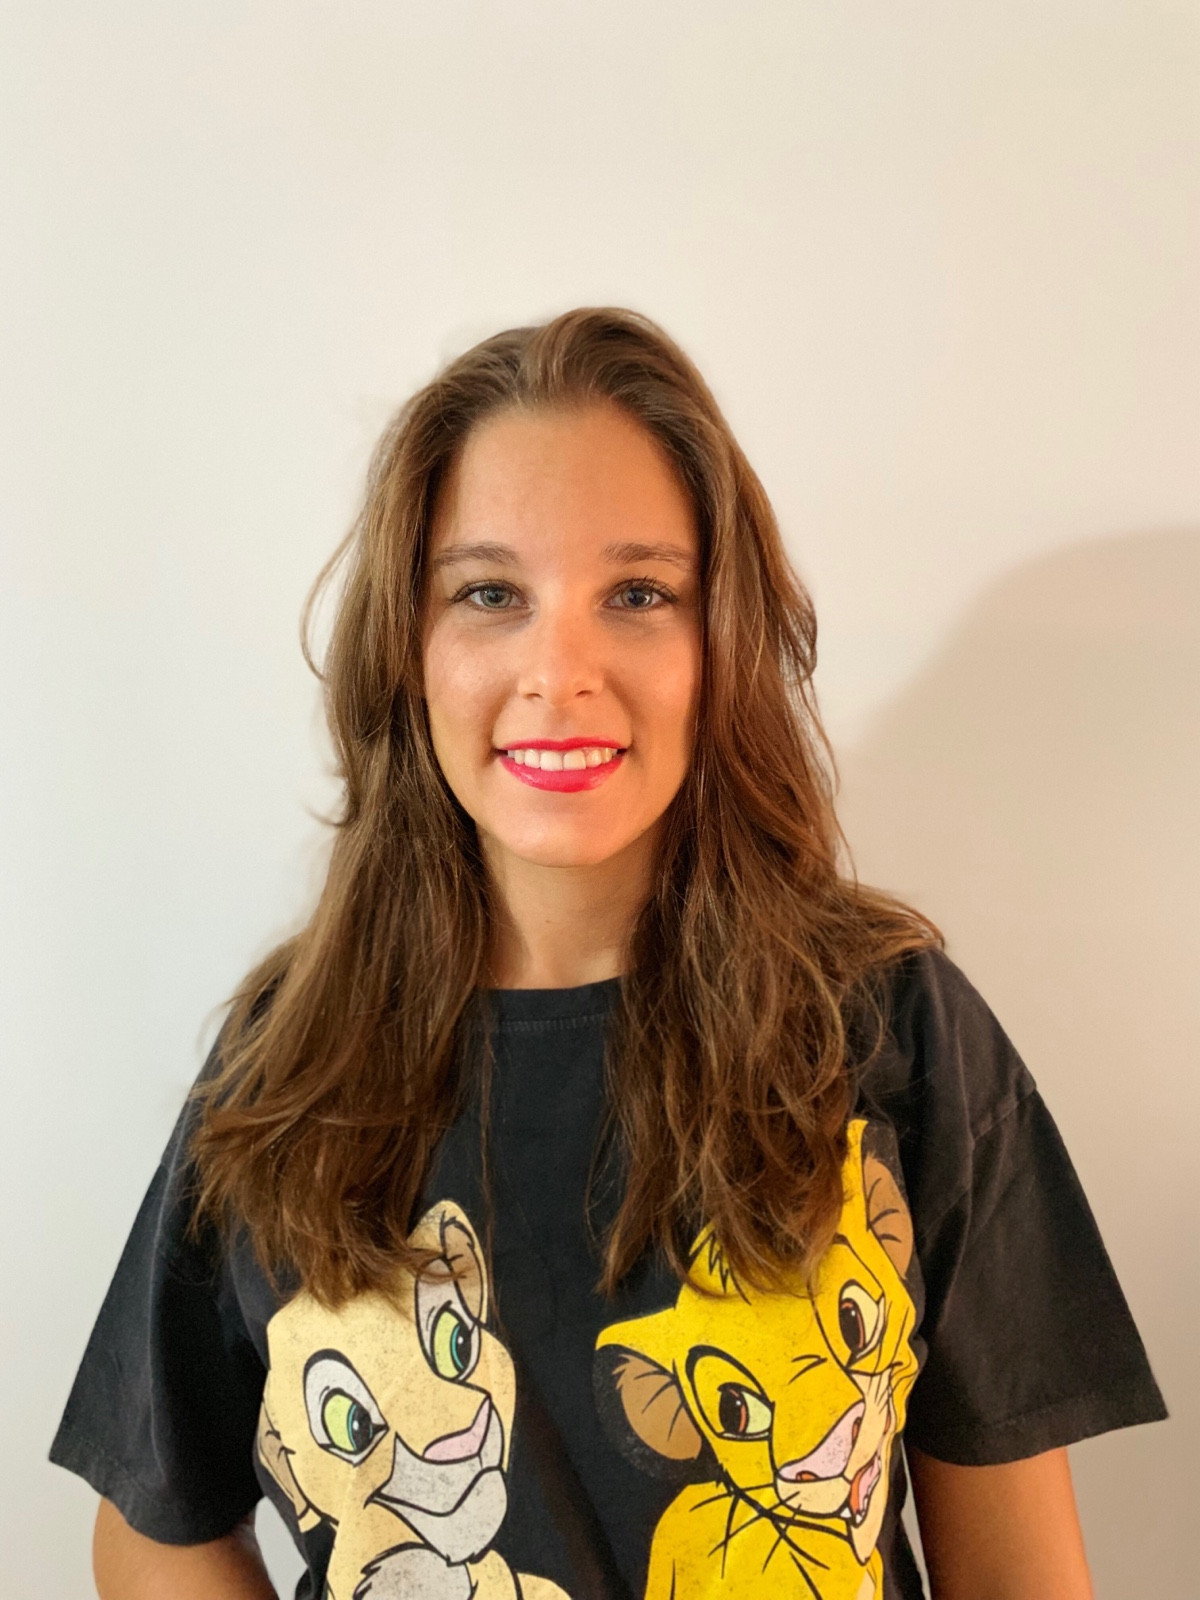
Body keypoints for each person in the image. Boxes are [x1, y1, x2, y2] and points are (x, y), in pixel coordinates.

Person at [51, 308, 1166, 1600]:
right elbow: (155, 1524)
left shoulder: (893, 1030)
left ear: (722, 639)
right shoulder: (287, 1063)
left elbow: (1021, 1572)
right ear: (409, 649)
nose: (560, 670)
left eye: (638, 595)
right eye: (490, 595)